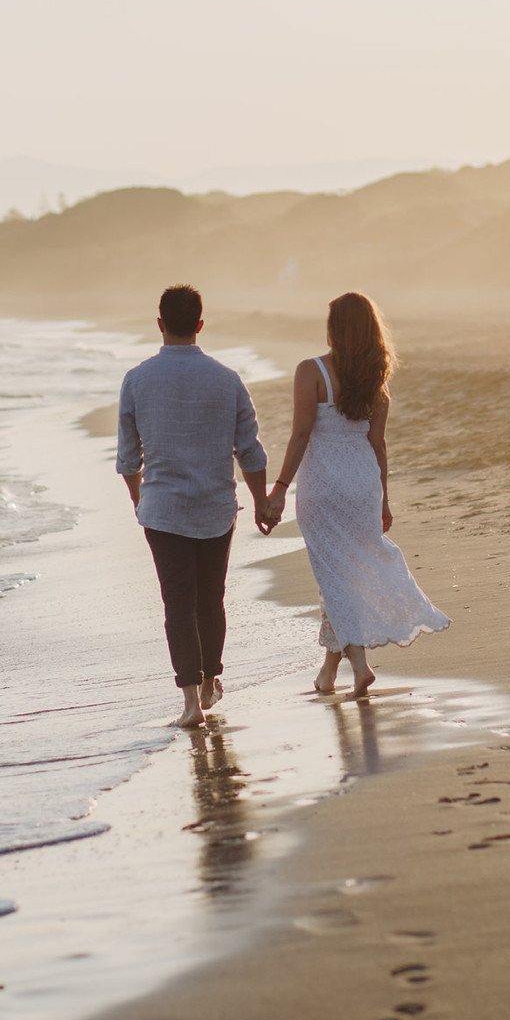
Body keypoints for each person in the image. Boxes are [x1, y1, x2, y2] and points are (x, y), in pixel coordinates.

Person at [261, 292, 449, 697]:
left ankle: (360, 666)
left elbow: (300, 434)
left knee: (334, 578)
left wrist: (278, 489)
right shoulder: (375, 380)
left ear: (334, 329)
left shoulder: (310, 371)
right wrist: (383, 499)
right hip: (363, 485)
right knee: (342, 579)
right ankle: (328, 673)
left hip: (323, 487)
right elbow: (378, 445)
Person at [117, 285, 273, 728]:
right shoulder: (227, 379)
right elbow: (251, 453)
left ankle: (190, 703)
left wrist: (137, 497)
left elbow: (128, 458)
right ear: (200, 325)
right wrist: (261, 502)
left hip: (163, 510)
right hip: (215, 507)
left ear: (160, 324)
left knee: (177, 603)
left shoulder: (137, 379)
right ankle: (209, 683)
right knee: (211, 599)